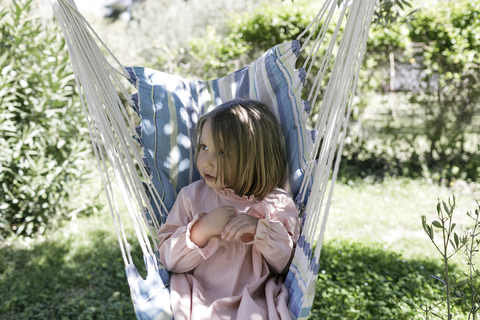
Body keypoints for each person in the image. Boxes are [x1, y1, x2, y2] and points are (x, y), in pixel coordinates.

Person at [157, 99, 300, 320]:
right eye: (204, 147)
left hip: (254, 300)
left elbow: (285, 265)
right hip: (196, 297)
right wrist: (200, 231)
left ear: (253, 158)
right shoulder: (192, 196)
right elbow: (169, 260)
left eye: (222, 153)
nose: (207, 162)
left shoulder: (277, 203)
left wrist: (259, 229)